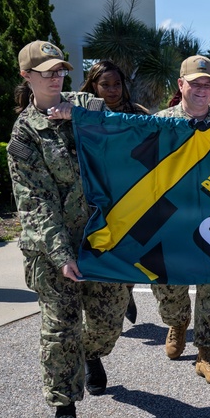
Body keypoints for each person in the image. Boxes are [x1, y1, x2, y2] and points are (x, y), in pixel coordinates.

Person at [6, 40, 129, 418]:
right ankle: (64, 406)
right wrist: (61, 255)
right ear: (27, 76)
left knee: (108, 322)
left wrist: (78, 117)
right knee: (61, 328)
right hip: (52, 247)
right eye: (46, 72)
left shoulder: (87, 106)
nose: (56, 78)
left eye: (60, 70)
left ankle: (91, 353)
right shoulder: (24, 135)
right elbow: (35, 203)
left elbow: (122, 131)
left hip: (101, 241)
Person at [152, 55, 210, 385]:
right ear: (181, 84)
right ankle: (177, 322)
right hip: (170, 222)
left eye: (208, 83)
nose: (203, 89)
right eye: (196, 83)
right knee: (168, 288)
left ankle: (207, 354)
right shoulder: (158, 124)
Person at [79, 60, 147, 323]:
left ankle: (126, 290)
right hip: (96, 195)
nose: (112, 90)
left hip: (131, 194)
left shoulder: (138, 113)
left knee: (129, 250)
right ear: (93, 86)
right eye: (105, 84)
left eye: (117, 84)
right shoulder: (82, 114)